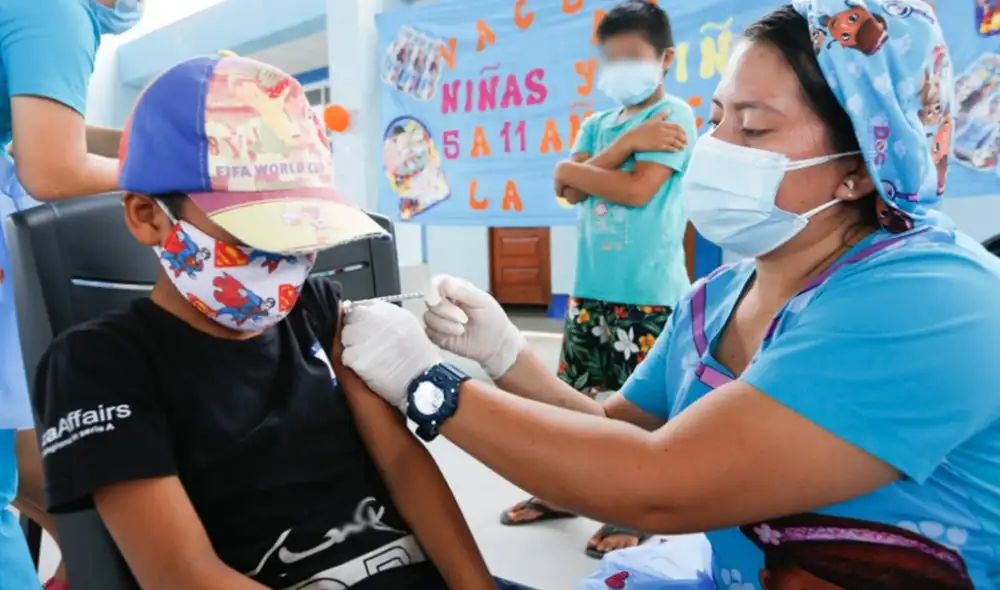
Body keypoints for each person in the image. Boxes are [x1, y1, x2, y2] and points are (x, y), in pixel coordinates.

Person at [340, 1, 1000, 587]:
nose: (714, 147)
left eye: (752, 127)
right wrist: (505, 353)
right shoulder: (717, 297)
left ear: (859, 166)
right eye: (716, 117)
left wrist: (427, 382)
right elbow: (612, 432)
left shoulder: (936, 301)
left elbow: (655, 486)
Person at [31, 54, 529, 590]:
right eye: (253, 237)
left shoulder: (315, 310)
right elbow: (182, 574)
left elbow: (404, 467)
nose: (282, 264)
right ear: (149, 216)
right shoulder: (98, 364)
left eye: (300, 237)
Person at [503, 0, 695, 558]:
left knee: (638, 415)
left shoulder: (673, 118)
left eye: (632, 57)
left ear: (665, 59)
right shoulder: (600, 123)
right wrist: (625, 147)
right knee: (575, 404)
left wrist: (582, 169)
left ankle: (630, 510)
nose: (620, 69)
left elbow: (634, 191)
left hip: (649, 297)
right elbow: (567, 187)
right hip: (589, 292)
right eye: (610, 59)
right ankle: (563, 491)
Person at [0, 1, 143, 587]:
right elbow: (52, 168)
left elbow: (44, 131)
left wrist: (151, 140)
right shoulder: (56, 9)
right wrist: (186, 174)